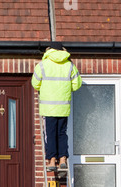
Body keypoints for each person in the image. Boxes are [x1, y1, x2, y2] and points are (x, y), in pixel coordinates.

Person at [31, 42, 82, 171]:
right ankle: (63, 158)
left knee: (50, 133)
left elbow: (35, 84)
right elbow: (76, 85)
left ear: (49, 51)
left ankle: (52, 161)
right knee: (62, 133)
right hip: (63, 106)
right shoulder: (70, 65)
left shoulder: (42, 65)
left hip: (48, 107)